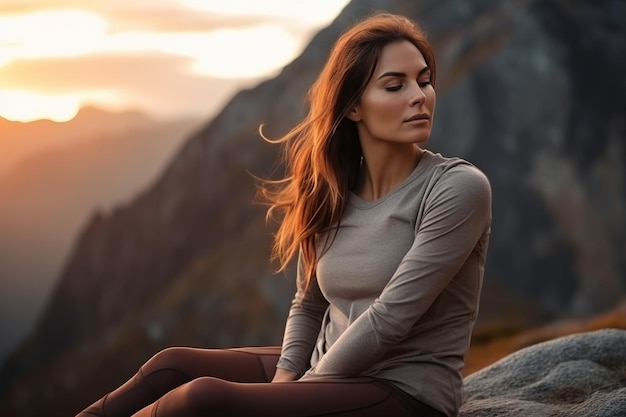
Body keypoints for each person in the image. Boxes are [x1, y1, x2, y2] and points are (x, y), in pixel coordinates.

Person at [76, 11, 491, 417]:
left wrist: (295, 397)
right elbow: (308, 304)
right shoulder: (332, 188)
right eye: (394, 86)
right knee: (172, 366)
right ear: (353, 108)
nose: (419, 96)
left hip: (403, 391)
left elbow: (391, 318)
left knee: (203, 399)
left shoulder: (457, 188)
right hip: (327, 367)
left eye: (424, 80)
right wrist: (285, 380)